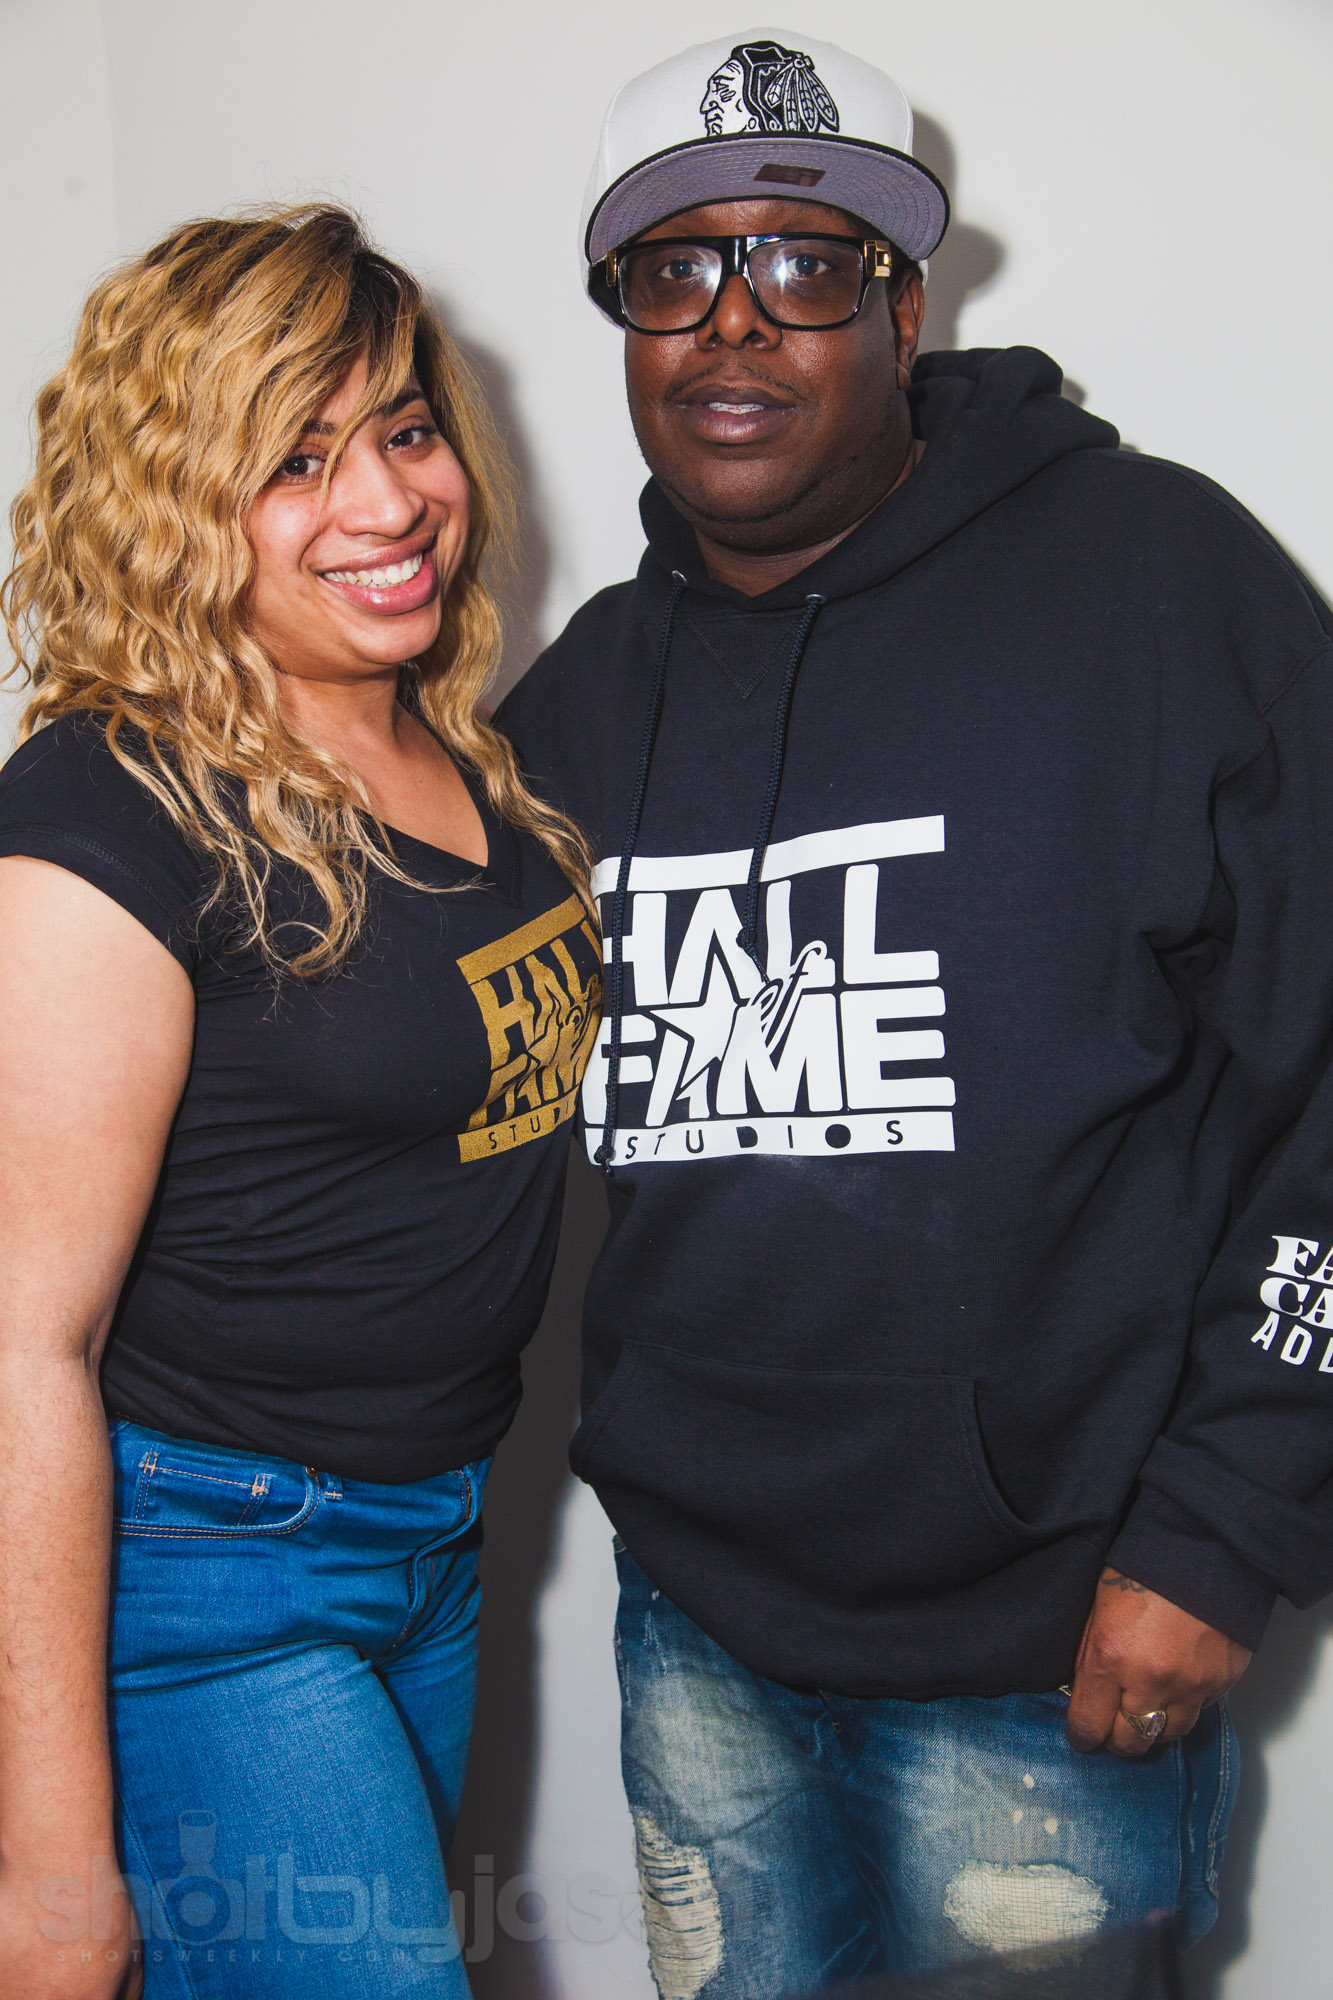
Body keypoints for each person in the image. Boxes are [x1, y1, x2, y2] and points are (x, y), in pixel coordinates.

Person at [496, 26, 1333, 1995]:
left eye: (803, 263)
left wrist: (1221, 1529)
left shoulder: (1160, 586)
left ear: (902, 304)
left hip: (1049, 1654)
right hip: (693, 1633)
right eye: (674, 268)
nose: (733, 322)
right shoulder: (579, 701)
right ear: (622, 316)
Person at [0, 204, 599, 2000]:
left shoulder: (462, 752)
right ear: (173, 504)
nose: (388, 502)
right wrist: (48, 1866)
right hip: (208, 1572)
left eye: (405, 429)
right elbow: (20, 1346)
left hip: (434, 1540)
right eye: (295, 461)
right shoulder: (106, 813)